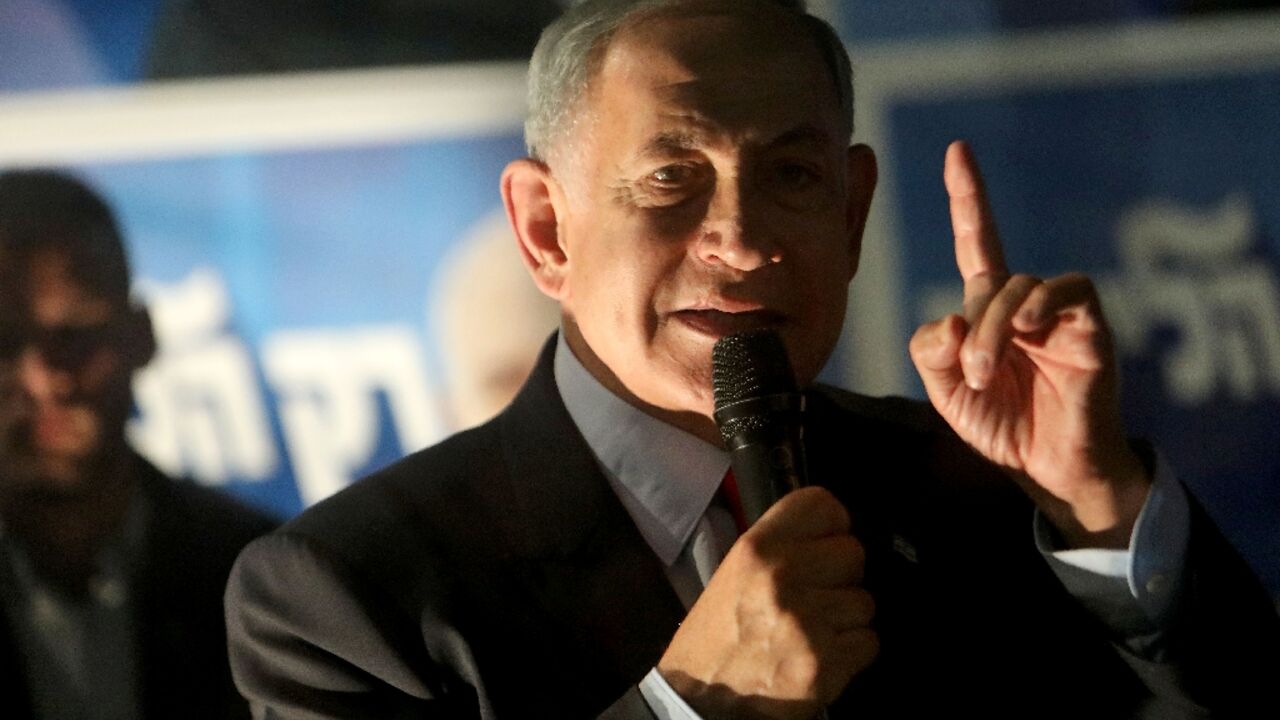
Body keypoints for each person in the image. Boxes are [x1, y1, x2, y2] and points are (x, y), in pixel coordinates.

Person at [224, 1, 1280, 718]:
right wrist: (688, 705)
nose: (742, 239)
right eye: (672, 177)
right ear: (546, 228)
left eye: (790, 173)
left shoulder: (982, 491)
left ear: (855, 208)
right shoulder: (341, 596)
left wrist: (1094, 508)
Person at [0, 170, 277, 720]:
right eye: (4, 343)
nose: (48, 379)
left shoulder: (259, 579)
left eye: (75, 333)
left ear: (142, 335)